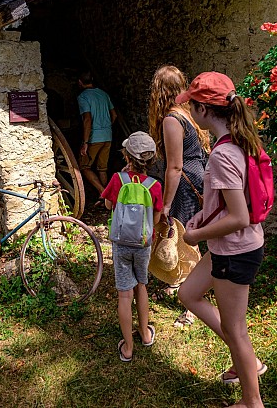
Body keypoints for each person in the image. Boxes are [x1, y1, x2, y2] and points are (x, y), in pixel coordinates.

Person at [176, 71, 266, 408]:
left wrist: (195, 233)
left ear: (203, 109)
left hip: (235, 251)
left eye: (191, 106)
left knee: (237, 330)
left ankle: (251, 401)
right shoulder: (235, 142)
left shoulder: (223, 155)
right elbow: (230, 203)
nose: (189, 112)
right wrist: (204, 214)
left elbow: (239, 216)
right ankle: (246, 362)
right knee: (188, 293)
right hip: (231, 246)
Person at [148, 65, 210, 327]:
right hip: (198, 176)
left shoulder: (172, 119)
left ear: (159, 92)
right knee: (190, 238)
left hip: (186, 182)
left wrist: (166, 204)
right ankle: (181, 283)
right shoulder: (187, 114)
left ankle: (193, 306)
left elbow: (175, 166)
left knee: (188, 238)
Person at [101, 132, 163, 362]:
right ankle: (145, 334)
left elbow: (108, 204)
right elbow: (156, 220)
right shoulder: (155, 185)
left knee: (125, 295)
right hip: (143, 244)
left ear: (127, 155)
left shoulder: (118, 179)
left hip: (121, 243)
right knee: (142, 286)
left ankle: (128, 347)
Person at [77, 71, 117, 204]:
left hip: (94, 137)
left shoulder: (83, 97)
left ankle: (103, 192)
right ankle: (106, 198)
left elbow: (87, 119)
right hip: (107, 135)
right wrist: (105, 127)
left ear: (80, 82)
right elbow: (114, 115)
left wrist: (85, 142)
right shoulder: (103, 94)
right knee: (102, 168)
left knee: (84, 166)